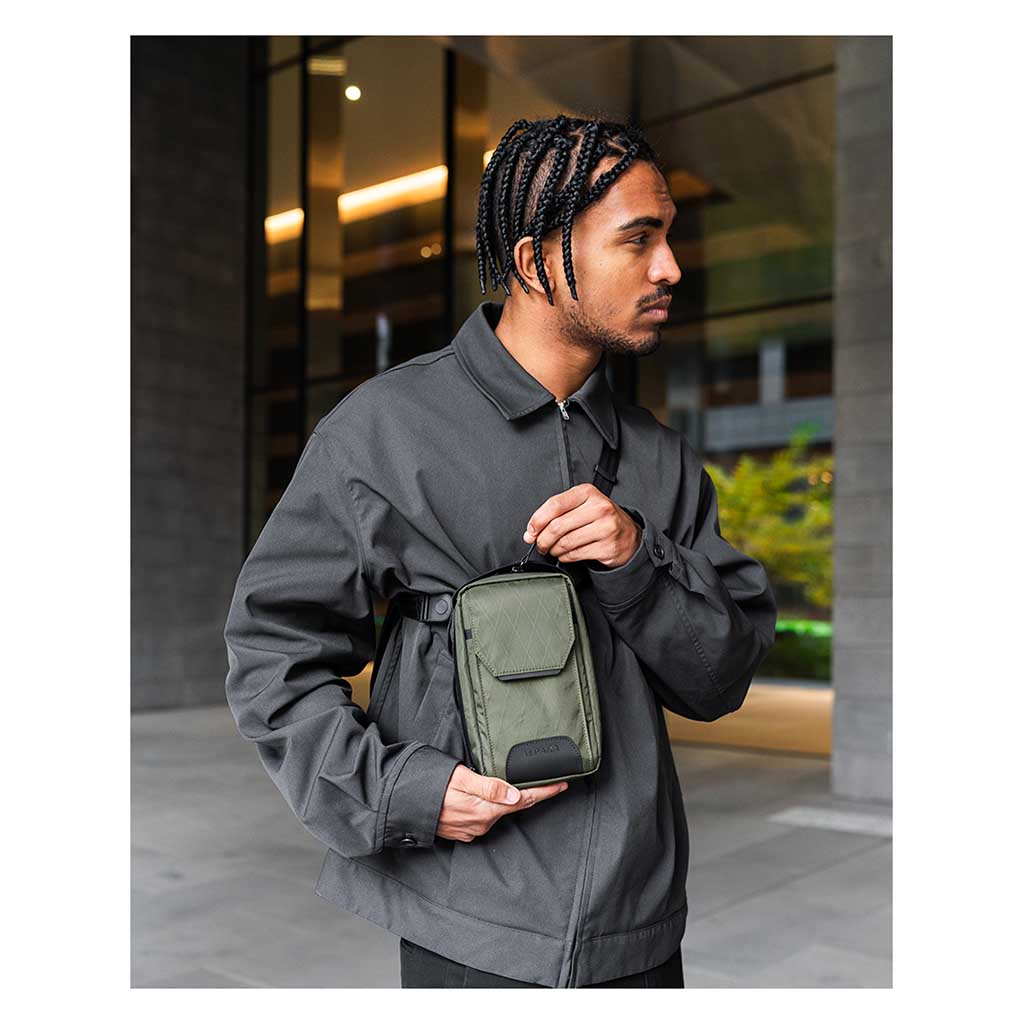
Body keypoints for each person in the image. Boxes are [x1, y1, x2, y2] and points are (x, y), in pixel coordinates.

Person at [223, 115, 777, 989]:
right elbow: (271, 651)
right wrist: (398, 789)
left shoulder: (661, 460)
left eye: (668, 237)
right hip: (468, 927)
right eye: (639, 239)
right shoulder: (386, 431)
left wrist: (637, 561)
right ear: (534, 261)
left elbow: (722, 678)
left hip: (637, 931)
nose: (670, 267)